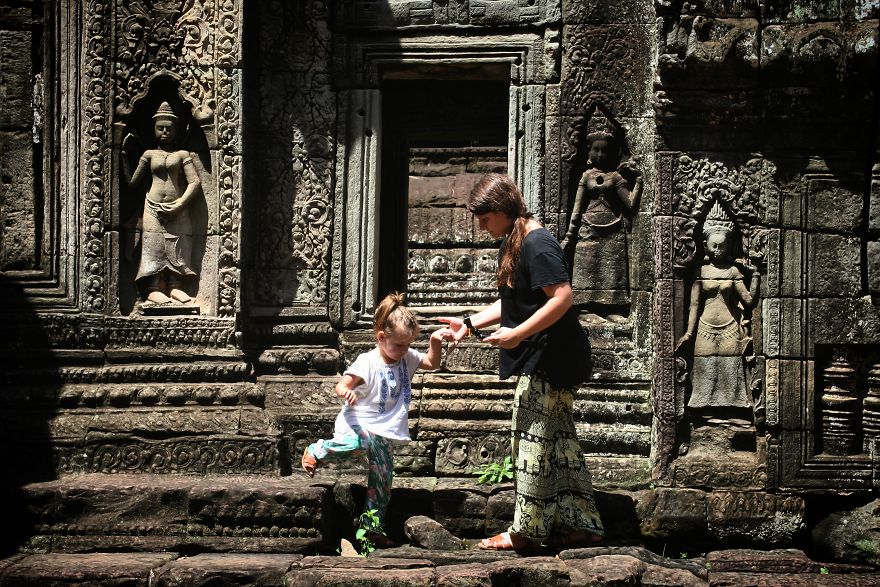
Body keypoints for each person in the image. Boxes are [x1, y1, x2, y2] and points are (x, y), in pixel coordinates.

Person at [440, 173, 604, 551]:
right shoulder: (515, 240)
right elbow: (515, 302)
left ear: (501, 209)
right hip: (548, 354)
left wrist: (519, 334)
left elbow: (562, 297)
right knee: (559, 441)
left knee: (529, 440)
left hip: (554, 356)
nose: (481, 227)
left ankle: (527, 532)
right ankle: (585, 524)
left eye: (484, 218)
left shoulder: (537, 242)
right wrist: (468, 323)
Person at [301, 292, 452, 545]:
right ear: (382, 337)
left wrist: (435, 341)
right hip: (357, 421)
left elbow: (431, 362)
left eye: (409, 344)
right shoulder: (368, 362)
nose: (405, 351)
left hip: (381, 429)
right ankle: (318, 449)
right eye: (400, 345)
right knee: (363, 443)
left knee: (383, 478)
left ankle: (372, 528)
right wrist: (346, 392)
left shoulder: (406, 357)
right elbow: (342, 384)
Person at [676, 218, 759, 422]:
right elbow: (693, 305)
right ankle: (703, 414)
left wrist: (755, 275)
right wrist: (688, 333)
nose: (719, 250)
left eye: (723, 245)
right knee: (706, 369)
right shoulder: (701, 272)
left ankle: (732, 412)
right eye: (714, 245)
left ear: (730, 246)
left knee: (731, 371)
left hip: (731, 328)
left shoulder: (733, 272)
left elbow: (748, 300)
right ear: (705, 246)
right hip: (704, 327)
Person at [122, 101, 201, 304]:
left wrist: (180, 205)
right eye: (160, 128)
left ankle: (175, 286)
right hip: (153, 207)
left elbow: (195, 182)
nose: (165, 132)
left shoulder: (182, 155)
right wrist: (122, 154)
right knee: (154, 246)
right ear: (154, 130)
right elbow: (132, 183)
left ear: (176, 130)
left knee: (178, 246)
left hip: (177, 207)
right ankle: (153, 287)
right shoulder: (149, 154)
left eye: (169, 128)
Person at [561, 130, 642, 316]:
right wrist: (570, 235)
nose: (600, 155)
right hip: (588, 228)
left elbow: (630, 203)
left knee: (613, 270)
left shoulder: (615, 177)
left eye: (604, 151)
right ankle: (586, 306)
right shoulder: (586, 176)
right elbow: (577, 207)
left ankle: (612, 307)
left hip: (613, 228)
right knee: (587, 266)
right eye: (596, 150)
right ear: (588, 151)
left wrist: (637, 180)